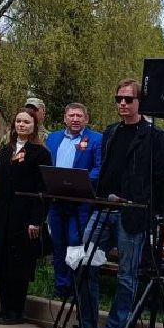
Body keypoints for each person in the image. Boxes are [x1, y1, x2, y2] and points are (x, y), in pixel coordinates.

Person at [78, 80, 164, 328]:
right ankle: (88, 326)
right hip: (104, 208)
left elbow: (163, 180)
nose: (122, 103)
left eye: (128, 99)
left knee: (126, 275)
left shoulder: (156, 137)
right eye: (118, 99)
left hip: (132, 212)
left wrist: (155, 214)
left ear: (140, 103)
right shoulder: (111, 132)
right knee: (84, 263)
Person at [0, 107, 53, 325]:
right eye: (19, 121)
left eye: (27, 122)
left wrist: (36, 220)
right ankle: (4, 309)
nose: (22, 125)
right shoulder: (5, 151)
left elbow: (44, 189)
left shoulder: (41, 153)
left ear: (34, 126)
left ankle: (16, 311)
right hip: (2, 215)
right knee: (2, 263)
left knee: (19, 264)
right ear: (14, 125)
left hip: (24, 217)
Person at [44, 102, 103, 303]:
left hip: (80, 202)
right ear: (65, 118)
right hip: (56, 201)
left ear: (86, 119)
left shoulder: (96, 139)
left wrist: (79, 181)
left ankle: (75, 287)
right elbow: (46, 164)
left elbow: (99, 167)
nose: (75, 119)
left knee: (75, 242)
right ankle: (61, 287)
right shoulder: (53, 138)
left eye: (79, 116)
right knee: (58, 243)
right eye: (71, 115)